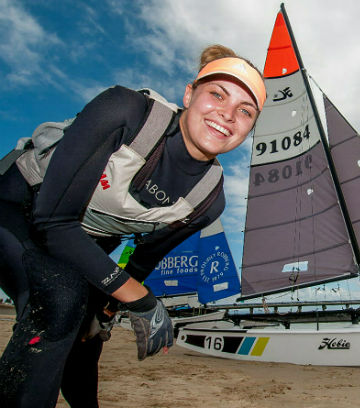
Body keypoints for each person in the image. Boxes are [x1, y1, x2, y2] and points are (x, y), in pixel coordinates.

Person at [0, 44, 266, 407]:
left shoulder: (209, 199)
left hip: (87, 243)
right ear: (189, 94)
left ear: (250, 127)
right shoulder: (125, 110)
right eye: (217, 94)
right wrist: (140, 300)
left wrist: (108, 309)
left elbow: (142, 259)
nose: (228, 114)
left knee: (86, 334)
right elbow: (54, 221)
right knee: (60, 301)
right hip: (20, 208)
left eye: (245, 111)